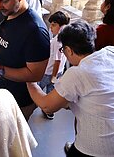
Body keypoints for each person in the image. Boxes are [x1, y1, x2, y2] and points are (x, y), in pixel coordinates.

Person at [27, 20, 114, 157]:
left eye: (63, 50)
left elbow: (47, 106)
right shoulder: (110, 52)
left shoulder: (78, 73)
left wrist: (30, 81)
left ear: (69, 50)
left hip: (96, 148)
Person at [0, 0, 50, 120]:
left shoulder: (35, 31)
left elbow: (35, 74)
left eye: (4, 1)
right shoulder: (6, 11)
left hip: (18, 101)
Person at [38, 11, 70, 120]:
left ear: (62, 26)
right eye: (50, 24)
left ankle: (34, 106)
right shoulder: (65, 39)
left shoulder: (58, 41)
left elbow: (57, 61)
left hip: (50, 72)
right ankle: (49, 110)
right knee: (51, 92)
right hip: (58, 72)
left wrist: (53, 77)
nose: (51, 27)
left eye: (53, 25)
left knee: (37, 88)